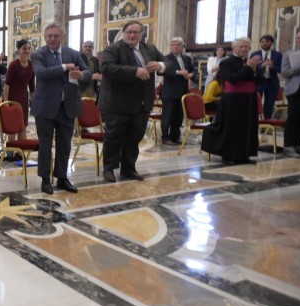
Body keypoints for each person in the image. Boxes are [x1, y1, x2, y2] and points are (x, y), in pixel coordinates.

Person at [99, 20, 171, 182]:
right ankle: (109, 168)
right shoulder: (113, 49)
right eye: (129, 32)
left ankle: (128, 168)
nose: (132, 35)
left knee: (134, 137)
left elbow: (169, 63)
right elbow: (107, 68)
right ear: (124, 33)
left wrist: (160, 65)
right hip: (117, 103)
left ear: (141, 34)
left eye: (136, 32)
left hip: (142, 103)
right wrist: (135, 71)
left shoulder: (149, 49)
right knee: (113, 137)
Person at [32, 24, 90, 194]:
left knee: (65, 144)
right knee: (45, 145)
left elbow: (88, 72)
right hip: (45, 107)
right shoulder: (38, 54)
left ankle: (62, 177)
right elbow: (41, 73)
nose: (52, 39)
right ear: (44, 37)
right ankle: (45, 179)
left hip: (67, 106)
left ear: (62, 37)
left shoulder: (73, 53)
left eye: (56, 36)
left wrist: (80, 75)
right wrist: (65, 67)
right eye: (49, 36)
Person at [202, 37, 264, 164]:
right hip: (233, 100)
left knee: (247, 127)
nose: (244, 49)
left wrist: (258, 71)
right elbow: (233, 79)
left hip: (249, 100)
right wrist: (248, 68)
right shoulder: (226, 63)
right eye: (241, 46)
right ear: (234, 47)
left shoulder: (250, 62)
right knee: (231, 127)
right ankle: (228, 155)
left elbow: (260, 81)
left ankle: (244, 155)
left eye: (246, 47)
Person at [160, 37, 197, 146]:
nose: (175, 46)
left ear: (182, 46)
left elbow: (193, 70)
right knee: (167, 116)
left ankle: (175, 137)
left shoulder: (187, 58)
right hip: (170, 92)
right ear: (171, 46)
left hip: (182, 92)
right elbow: (162, 72)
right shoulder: (166, 58)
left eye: (178, 44)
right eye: (173, 44)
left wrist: (191, 74)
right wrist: (178, 72)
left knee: (178, 117)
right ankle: (165, 137)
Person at [3, 39, 35, 140]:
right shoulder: (13, 65)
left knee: (22, 125)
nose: (27, 51)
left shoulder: (31, 65)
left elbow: (32, 86)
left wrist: (33, 101)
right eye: (24, 49)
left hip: (24, 99)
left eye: (29, 48)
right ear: (18, 50)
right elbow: (7, 85)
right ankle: (11, 148)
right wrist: (6, 102)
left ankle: (20, 149)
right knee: (13, 126)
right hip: (13, 99)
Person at [251, 34, 283, 119]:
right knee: (255, 104)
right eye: (262, 42)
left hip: (271, 82)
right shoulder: (255, 54)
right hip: (259, 82)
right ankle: (255, 122)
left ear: (271, 42)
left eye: (267, 41)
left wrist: (272, 66)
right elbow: (251, 68)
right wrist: (262, 65)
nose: (264, 43)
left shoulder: (277, 55)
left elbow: (281, 69)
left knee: (269, 106)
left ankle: (266, 123)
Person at [282, 30, 300, 156]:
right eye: (298, 38)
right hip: (294, 89)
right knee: (293, 117)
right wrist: (298, 70)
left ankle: (297, 145)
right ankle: (288, 146)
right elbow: (284, 72)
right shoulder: (288, 54)